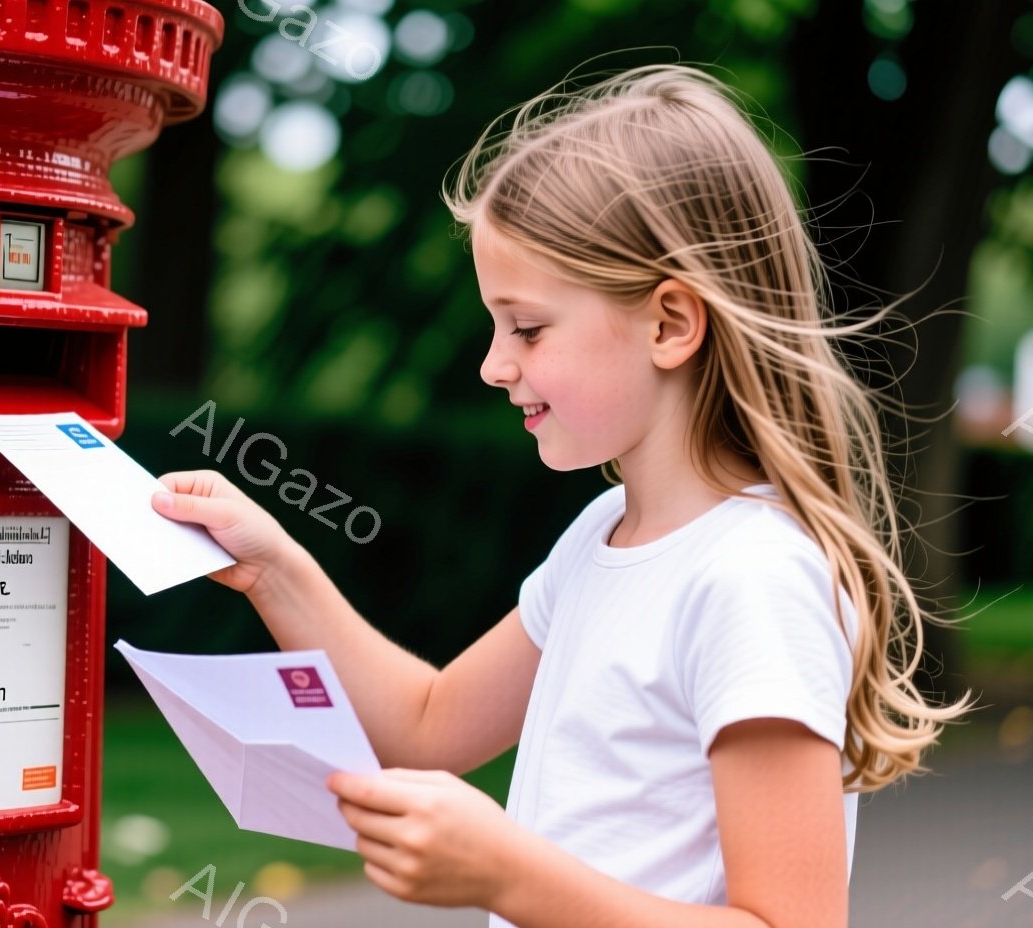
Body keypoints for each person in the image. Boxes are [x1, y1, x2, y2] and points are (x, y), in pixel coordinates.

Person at [149, 62, 974, 928]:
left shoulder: (752, 579)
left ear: (670, 323)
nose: (494, 365)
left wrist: (511, 877)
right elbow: (428, 727)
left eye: (529, 327)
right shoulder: (603, 534)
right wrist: (273, 568)